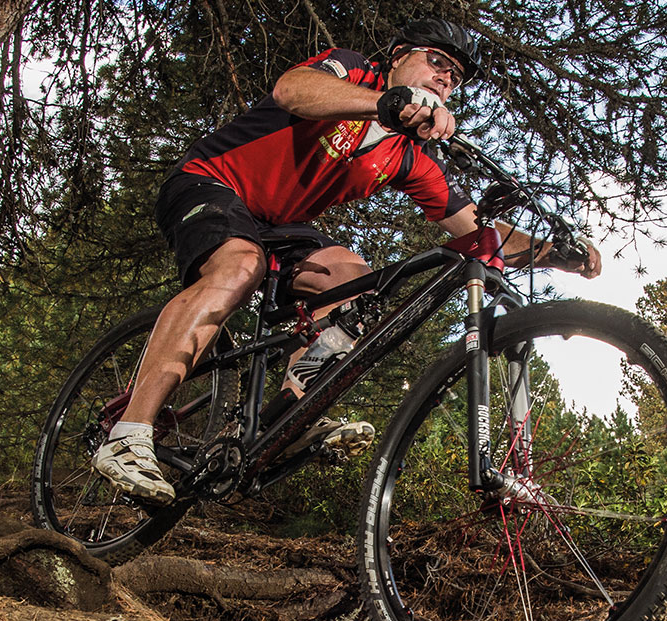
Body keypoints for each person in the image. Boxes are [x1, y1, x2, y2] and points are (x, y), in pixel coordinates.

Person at [94, 19, 603, 504]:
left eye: (455, 78)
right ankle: (128, 430)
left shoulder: (407, 157)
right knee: (239, 266)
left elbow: (476, 229)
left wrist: (556, 253)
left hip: (281, 225)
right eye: (438, 61)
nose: (447, 79)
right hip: (212, 182)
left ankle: (291, 416)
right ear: (399, 58)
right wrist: (383, 102)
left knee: (355, 284)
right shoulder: (353, 71)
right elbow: (293, 91)